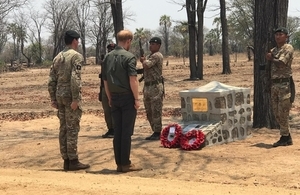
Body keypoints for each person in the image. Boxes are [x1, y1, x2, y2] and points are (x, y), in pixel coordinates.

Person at [48, 30, 90, 171]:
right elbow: (75, 78)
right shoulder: (76, 56)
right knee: (72, 128)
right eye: (77, 40)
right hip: (69, 95)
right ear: (74, 41)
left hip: (60, 95)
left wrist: (53, 98)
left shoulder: (57, 57)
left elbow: (51, 80)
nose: (78, 43)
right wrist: (76, 98)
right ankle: (73, 160)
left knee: (63, 128)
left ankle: (66, 159)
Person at [102, 30, 142, 173]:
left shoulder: (108, 57)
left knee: (117, 131)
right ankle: (125, 163)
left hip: (113, 97)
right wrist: (137, 99)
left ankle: (119, 162)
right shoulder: (129, 57)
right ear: (128, 41)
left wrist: (109, 97)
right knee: (126, 132)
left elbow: (105, 80)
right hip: (127, 98)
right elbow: (133, 79)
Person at [266, 27, 294, 147]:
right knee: (276, 112)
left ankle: (284, 137)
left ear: (286, 36)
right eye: (276, 34)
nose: (278, 36)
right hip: (275, 84)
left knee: (283, 111)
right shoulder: (273, 50)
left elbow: (282, 63)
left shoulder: (288, 48)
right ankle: (286, 136)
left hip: (285, 84)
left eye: (280, 34)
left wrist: (271, 58)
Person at [140, 37, 164, 140]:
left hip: (155, 86)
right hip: (148, 86)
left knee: (156, 109)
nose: (151, 46)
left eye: (153, 44)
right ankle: (154, 130)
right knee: (149, 109)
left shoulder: (157, 56)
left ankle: (158, 131)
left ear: (158, 45)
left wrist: (143, 60)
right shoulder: (150, 56)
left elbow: (147, 65)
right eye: (150, 44)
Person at [99, 43, 117, 138]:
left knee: (114, 109)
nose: (110, 50)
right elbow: (102, 77)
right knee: (106, 110)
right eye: (109, 49)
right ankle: (110, 129)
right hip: (104, 88)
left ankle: (116, 128)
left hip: (113, 88)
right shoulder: (104, 61)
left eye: (112, 48)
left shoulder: (117, 60)